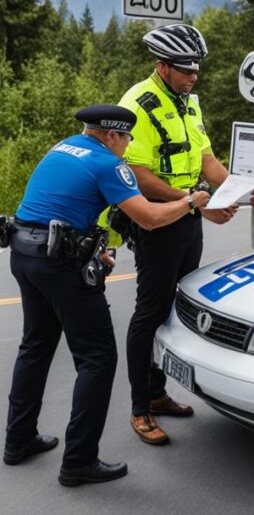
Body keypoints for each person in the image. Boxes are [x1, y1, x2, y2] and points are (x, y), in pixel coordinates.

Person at [2, 105, 210, 487]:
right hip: (59, 266)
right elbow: (147, 216)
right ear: (112, 135)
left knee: (36, 345)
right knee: (98, 357)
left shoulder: (63, 147)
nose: (128, 146)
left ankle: (19, 440)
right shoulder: (109, 165)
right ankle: (79, 460)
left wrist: (92, 248)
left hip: (24, 253)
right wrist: (190, 201)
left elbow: (63, 205)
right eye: (127, 138)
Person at [119, 24, 254, 445]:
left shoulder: (188, 103)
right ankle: (139, 408)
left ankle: (158, 391)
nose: (194, 76)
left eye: (197, 70)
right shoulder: (138, 104)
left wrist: (240, 188)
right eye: (186, 70)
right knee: (149, 311)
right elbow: (139, 174)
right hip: (160, 218)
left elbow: (206, 159)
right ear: (162, 66)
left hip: (188, 215)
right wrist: (193, 201)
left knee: (174, 306)